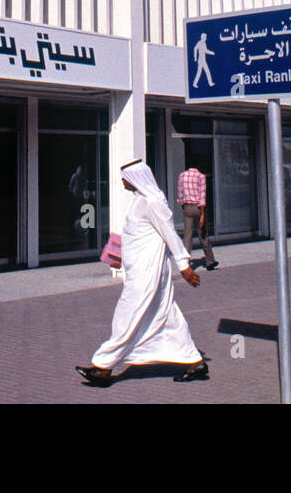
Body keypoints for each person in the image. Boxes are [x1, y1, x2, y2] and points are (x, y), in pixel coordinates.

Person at [76, 160, 208, 386]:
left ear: (136, 178)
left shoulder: (152, 202)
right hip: (139, 269)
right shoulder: (140, 200)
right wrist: (117, 254)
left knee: (127, 315)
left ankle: (103, 366)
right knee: (167, 316)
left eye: (125, 177)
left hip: (149, 273)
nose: (122, 181)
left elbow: (170, 234)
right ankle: (195, 362)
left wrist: (184, 265)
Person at [177, 164, 217, 270]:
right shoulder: (201, 176)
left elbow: (180, 195)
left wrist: (183, 206)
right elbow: (202, 197)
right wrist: (203, 214)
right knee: (203, 234)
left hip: (187, 207)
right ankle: (210, 261)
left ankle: (185, 263)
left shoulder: (182, 176)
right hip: (198, 208)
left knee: (187, 235)